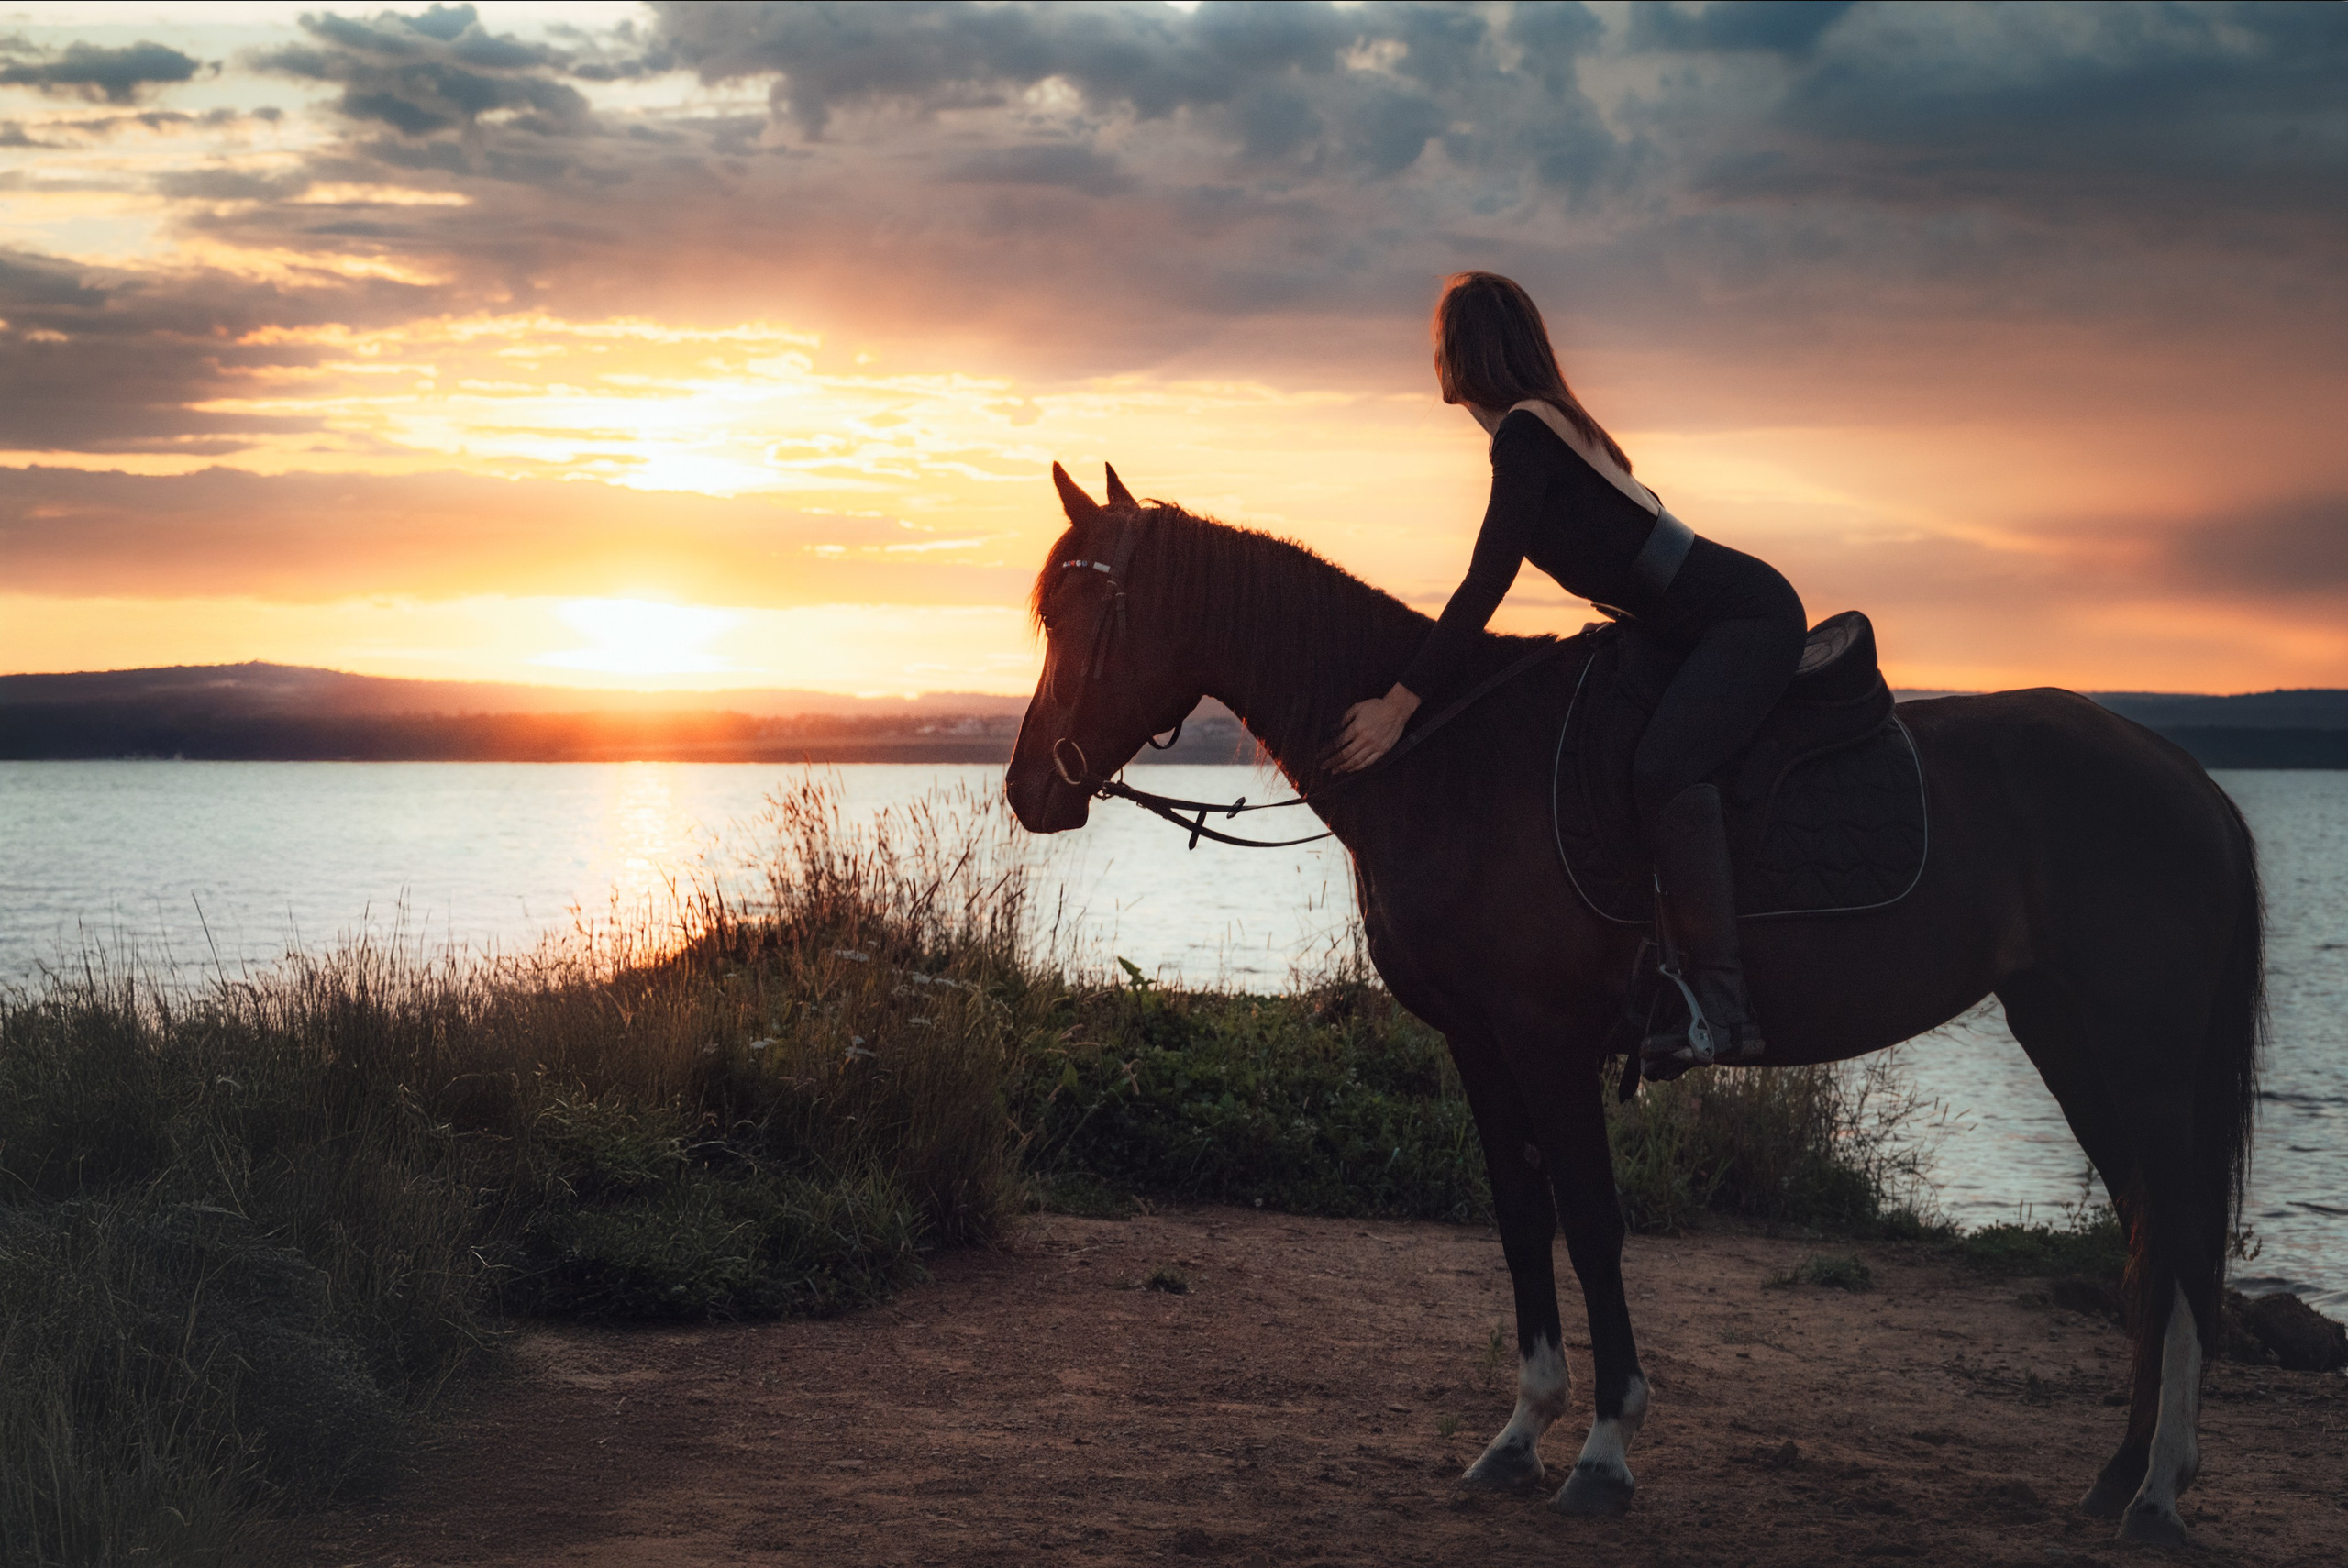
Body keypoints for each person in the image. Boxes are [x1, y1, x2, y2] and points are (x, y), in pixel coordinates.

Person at [1326, 271, 1808, 1073]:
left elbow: (1487, 579)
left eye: (1438, 337)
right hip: (1688, 624)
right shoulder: (1550, 425)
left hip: (1743, 620)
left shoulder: (1527, 433)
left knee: (1664, 768)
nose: (1430, 353)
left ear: (1462, 349)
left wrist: (1399, 705)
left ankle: (1723, 1006)